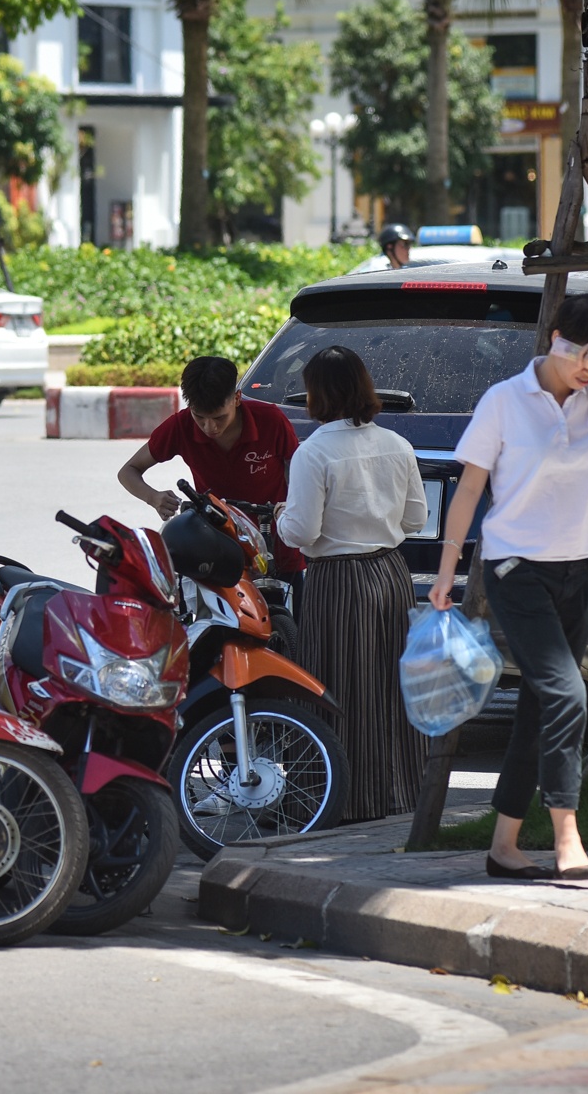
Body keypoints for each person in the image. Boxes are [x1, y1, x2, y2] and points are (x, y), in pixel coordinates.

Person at [428, 294, 588, 881]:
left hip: (585, 566)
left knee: (541, 708)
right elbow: (469, 489)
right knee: (568, 695)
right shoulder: (504, 401)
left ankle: (503, 846)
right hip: (517, 568)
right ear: (556, 339)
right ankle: (568, 836)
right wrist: (446, 572)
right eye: (581, 357)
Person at [276, 346, 428, 821]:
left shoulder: (314, 452)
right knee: (388, 688)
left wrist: (281, 517)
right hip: (391, 573)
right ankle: (399, 793)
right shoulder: (397, 445)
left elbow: (301, 533)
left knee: (337, 687)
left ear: (317, 395)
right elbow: (417, 519)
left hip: (338, 578)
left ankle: (339, 800)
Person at [117, 355, 304, 587]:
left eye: (219, 418)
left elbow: (299, 474)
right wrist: (153, 497)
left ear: (237, 399)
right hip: (216, 550)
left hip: (278, 546)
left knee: (292, 620)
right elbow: (128, 471)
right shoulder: (180, 426)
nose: (210, 427)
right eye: (200, 417)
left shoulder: (270, 420)